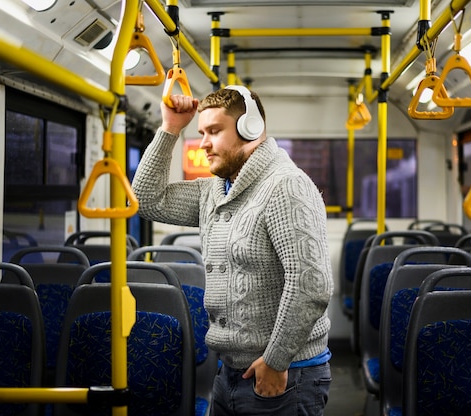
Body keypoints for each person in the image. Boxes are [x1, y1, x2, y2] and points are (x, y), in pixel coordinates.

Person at [132, 85, 334, 416]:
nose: (205, 143)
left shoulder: (285, 186)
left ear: (249, 128)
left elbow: (310, 283)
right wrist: (170, 128)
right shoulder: (216, 190)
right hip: (228, 373)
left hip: (285, 373)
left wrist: (275, 359)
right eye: (201, 133)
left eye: (214, 131)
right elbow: (147, 200)